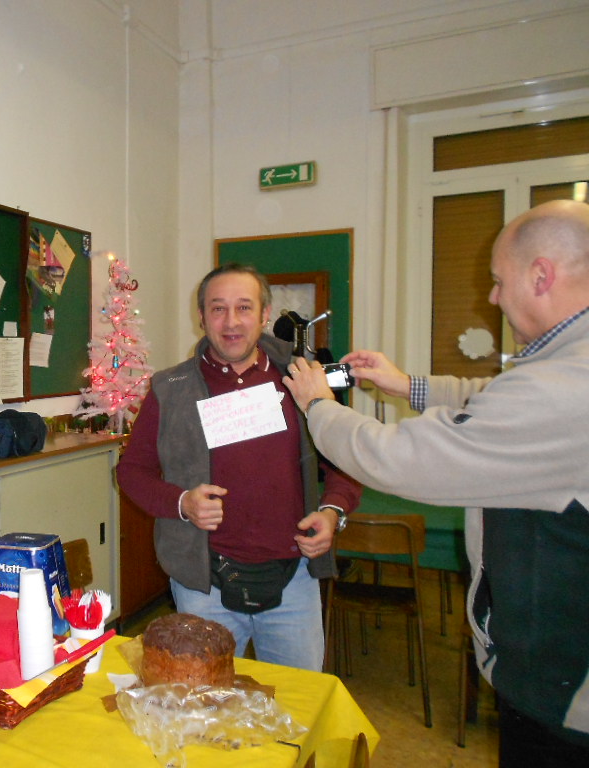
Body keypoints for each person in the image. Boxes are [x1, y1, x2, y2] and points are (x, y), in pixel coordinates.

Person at [282, 199, 589, 766]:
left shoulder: (565, 388)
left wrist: (319, 408)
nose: (493, 297)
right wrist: (406, 386)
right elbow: (495, 402)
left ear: (541, 275)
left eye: (499, 282)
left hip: (567, 689)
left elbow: (400, 460)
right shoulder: (564, 370)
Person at [116, 263, 361, 671]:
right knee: (202, 712)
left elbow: (346, 461)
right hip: (203, 584)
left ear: (265, 315)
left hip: (294, 580)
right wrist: (181, 503)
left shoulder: (303, 379)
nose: (231, 322)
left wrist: (333, 511)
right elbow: (131, 471)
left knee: (295, 709)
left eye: (244, 308)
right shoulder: (170, 389)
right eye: (218, 309)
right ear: (201, 317)